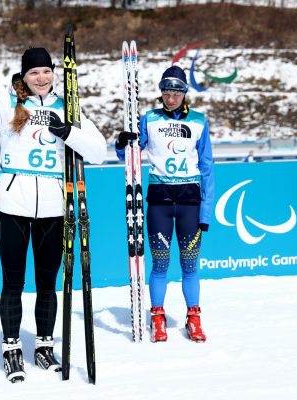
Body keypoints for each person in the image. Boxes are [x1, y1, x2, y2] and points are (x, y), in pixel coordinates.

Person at [0, 32, 107, 382]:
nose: (40, 78)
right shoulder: (11, 104)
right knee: (13, 281)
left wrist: (68, 132)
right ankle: (11, 348)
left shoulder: (68, 108)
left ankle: (44, 346)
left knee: (47, 281)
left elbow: (99, 152)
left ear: (53, 73)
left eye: (45, 71)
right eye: (33, 73)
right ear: (24, 76)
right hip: (14, 203)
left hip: (54, 207)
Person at [115, 65, 215, 343]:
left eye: (176, 93)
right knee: (160, 263)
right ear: (161, 93)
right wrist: (122, 144)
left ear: (184, 93)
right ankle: (157, 316)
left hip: (190, 202)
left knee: (190, 264)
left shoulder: (198, 121)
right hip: (159, 200)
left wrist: (206, 212)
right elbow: (129, 155)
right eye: (166, 93)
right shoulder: (149, 119)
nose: (171, 98)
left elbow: (207, 167)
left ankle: (193, 317)